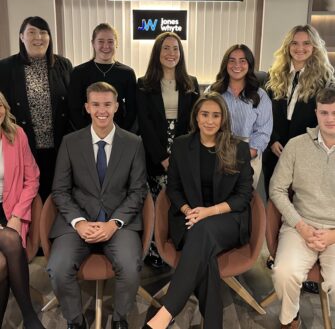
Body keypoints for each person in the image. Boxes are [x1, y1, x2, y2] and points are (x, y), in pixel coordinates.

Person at [143, 91, 253, 329]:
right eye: (205, 114)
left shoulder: (238, 148)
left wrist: (207, 212)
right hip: (188, 218)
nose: (210, 120)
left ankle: (165, 313)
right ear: (197, 116)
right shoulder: (183, 145)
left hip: (227, 219)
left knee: (202, 231)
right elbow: (173, 188)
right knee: (207, 258)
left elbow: (244, 196)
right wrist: (188, 210)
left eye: (216, 115)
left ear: (223, 118)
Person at [47, 81, 147, 329]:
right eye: (95, 104)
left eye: (107, 104)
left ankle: (120, 318)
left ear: (116, 106)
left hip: (118, 222)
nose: (101, 110)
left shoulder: (133, 143)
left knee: (130, 267)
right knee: (58, 268)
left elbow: (137, 191)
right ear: (87, 107)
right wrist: (79, 223)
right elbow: (59, 190)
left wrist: (114, 223)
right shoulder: (70, 142)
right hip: (78, 222)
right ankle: (75, 320)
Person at [269, 87, 335, 329]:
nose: (330, 119)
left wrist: (332, 235)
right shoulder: (297, 146)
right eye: (325, 112)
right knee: (284, 272)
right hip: (300, 225)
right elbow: (276, 189)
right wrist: (301, 225)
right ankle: (290, 319)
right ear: (316, 113)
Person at [137, 32, 199, 267]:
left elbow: (195, 124)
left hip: (184, 154)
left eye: (175, 49)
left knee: (179, 202)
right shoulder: (144, 84)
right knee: (156, 205)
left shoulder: (191, 83)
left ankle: (177, 246)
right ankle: (154, 250)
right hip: (156, 154)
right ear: (157, 53)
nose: (171, 53)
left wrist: (180, 157)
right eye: (166, 48)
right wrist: (163, 157)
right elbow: (145, 125)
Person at [0, 16, 73, 202]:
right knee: (27, 197)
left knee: (57, 196)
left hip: (58, 146)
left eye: (43, 32)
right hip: (22, 147)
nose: (38, 37)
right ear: (21, 37)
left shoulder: (63, 65)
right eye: (31, 32)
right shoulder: (5, 68)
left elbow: (72, 106)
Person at [263, 24, 334, 199]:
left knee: (302, 199)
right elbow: (264, 113)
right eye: (294, 43)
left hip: (308, 148)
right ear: (287, 46)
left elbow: (325, 117)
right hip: (276, 147)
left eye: (306, 43)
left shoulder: (326, 79)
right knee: (274, 195)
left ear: (314, 47)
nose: (300, 48)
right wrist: (272, 140)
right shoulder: (274, 75)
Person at [0, 92, 45, 329]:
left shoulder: (17, 135)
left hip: (11, 210)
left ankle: (28, 318)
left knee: (8, 247)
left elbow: (33, 179)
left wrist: (17, 215)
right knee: (8, 244)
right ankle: (29, 316)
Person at [208, 44, 272, 188]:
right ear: (226, 64)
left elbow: (263, 131)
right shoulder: (213, 92)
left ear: (249, 64)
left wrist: (246, 155)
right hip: (216, 154)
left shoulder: (260, 95)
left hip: (249, 156)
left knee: (242, 201)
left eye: (243, 60)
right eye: (232, 60)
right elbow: (204, 124)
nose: (237, 65)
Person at [68, 23, 137, 132]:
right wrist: (88, 134)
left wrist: (120, 133)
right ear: (93, 44)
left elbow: (132, 110)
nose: (106, 46)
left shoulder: (127, 73)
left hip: (118, 135)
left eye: (110, 42)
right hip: (87, 135)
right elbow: (73, 109)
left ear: (116, 44)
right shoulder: (79, 72)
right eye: (101, 41)